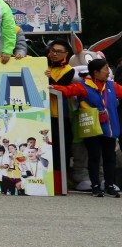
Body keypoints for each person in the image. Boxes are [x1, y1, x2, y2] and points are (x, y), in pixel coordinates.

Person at [51, 58, 121, 198]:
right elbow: (67, 90)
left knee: (109, 158)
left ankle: (109, 185)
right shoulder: (83, 86)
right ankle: (95, 186)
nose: (108, 72)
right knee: (94, 157)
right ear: (96, 72)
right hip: (92, 128)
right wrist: (53, 87)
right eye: (105, 69)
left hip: (110, 129)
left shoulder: (112, 86)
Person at [45, 39, 75, 188]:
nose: (54, 54)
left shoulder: (69, 69)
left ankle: (60, 185)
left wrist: (46, 77)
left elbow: (60, 87)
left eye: (58, 51)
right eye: (52, 50)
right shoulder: (43, 65)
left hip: (60, 116)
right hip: (44, 115)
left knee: (60, 150)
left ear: (66, 54)